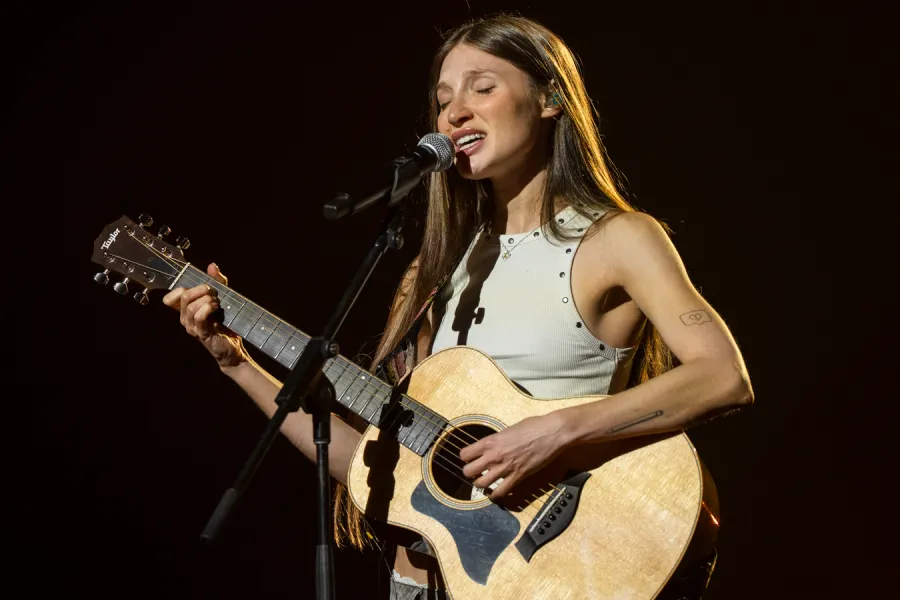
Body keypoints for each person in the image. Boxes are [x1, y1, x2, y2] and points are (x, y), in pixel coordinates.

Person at [163, 14, 753, 600]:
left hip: (551, 579)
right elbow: (374, 472)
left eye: (483, 86)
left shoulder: (616, 240)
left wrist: (551, 434)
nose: (454, 112)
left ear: (550, 98)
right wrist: (236, 363)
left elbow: (723, 376)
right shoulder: (430, 275)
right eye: (443, 99)